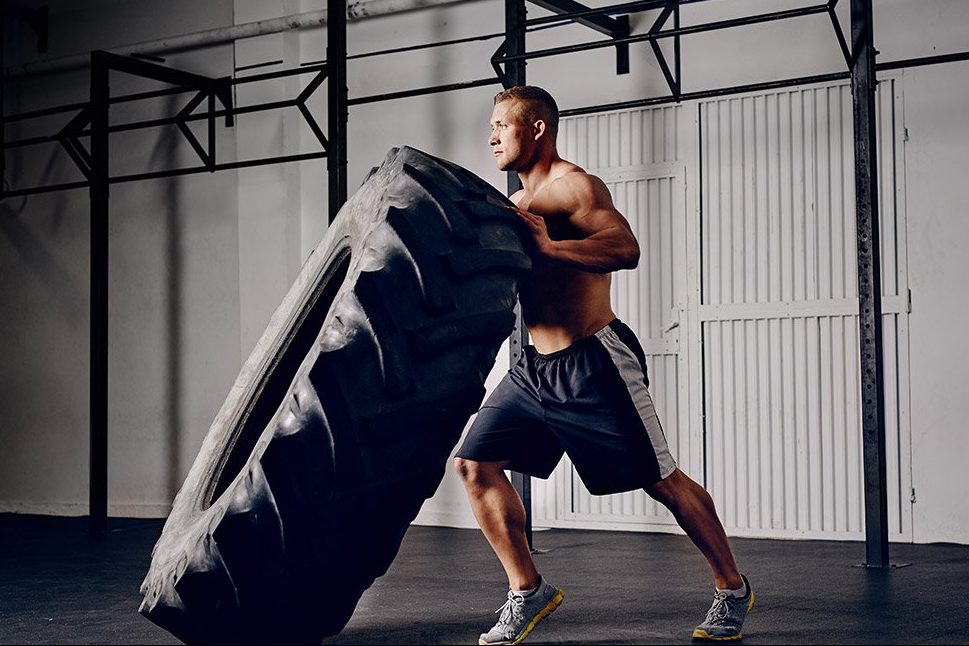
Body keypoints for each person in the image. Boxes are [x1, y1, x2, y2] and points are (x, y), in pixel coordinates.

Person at [453, 85, 755, 645]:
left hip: (594, 360)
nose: (491, 136)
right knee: (474, 465)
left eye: (501, 125)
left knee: (662, 481)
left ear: (537, 128)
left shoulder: (576, 186)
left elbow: (624, 248)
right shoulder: (516, 205)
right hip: (533, 369)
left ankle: (732, 589)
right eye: (490, 126)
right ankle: (528, 589)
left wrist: (551, 248)